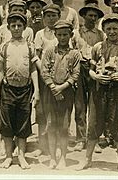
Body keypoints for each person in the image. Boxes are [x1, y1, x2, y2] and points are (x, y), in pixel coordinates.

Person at [77, 13, 118, 174]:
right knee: (94, 123)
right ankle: (87, 160)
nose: (112, 32)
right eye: (108, 29)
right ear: (103, 29)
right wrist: (96, 76)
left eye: (115, 29)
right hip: (99, 88)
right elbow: (90, 70)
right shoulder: (97, 47)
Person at [0, 12, 40, 169]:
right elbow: (0, 70)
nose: (16, 28)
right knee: (7, 124)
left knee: (23, 123)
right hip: (8, 89)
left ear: (24, 27)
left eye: (19, 25)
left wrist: (37, 91)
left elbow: (33, 69)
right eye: (13, 26)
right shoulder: (5, 46)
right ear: (8, 27)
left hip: (25, 89)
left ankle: (21, 156)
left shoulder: (29, 46)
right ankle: (8, 156)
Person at [41, 20, 80, 169]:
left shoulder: (75, 54)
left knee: (64, 126)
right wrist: (52, 87)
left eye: (65, 34)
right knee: (51, 125)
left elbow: (75, 74)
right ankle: (52, 157)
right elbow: (44, 71)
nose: (62, 37)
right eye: (60, 35)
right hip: (50, 93)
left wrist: (62, 87)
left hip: (66, 93)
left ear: (70, 35)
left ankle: (63, 157)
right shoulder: (50, 51)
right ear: (55, 35)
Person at [71, 3, 105, 152]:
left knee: (95, 106)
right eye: (90, 15)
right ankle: (80, 138)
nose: (92, 18)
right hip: (80, 68)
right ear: (83, 16)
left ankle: (94, 139)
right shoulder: (75, 33)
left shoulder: (101, 34)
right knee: (79, 105)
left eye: (95, 16)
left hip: (95, 70)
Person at [33, 3, 61, 157]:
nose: (51, 19)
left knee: (58, 111)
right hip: (43, 77)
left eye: (54, 15)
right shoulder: (40, 35)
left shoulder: (63, 33)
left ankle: (56, 145)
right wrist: (44, 70)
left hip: (59, 77)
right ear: (43, 18)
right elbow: (36, 55)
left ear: (59, 17)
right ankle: (42, 145)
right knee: (42, 111)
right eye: (48, 16)